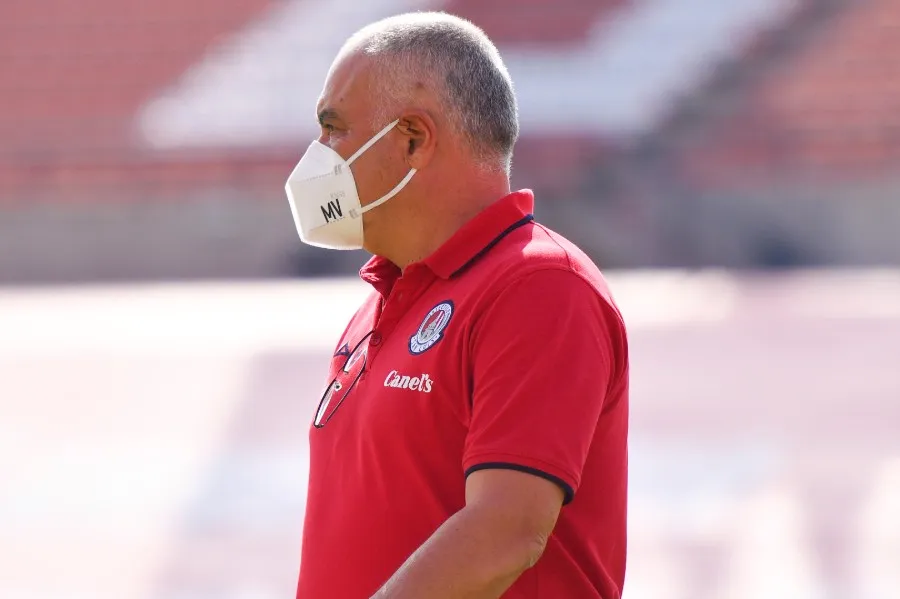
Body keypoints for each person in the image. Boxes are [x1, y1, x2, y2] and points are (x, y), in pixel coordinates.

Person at [284, 12, 629, 599]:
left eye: (333, 127)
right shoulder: (384, 299)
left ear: (412, 139)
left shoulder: (539, 287)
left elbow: (506, 534)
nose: (318, 153)